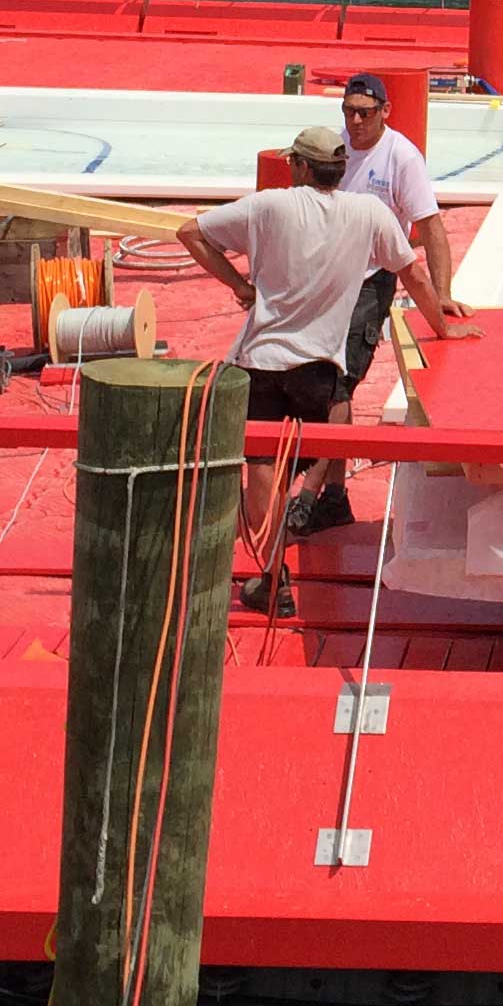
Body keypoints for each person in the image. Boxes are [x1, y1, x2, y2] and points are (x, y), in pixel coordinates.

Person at [181, 124, 455, 617]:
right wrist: (444, 326)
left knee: (262, 469)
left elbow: (190, 233)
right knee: (324, 430)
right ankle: (309, 499)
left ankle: (272, 580)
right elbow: (413, 273)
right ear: (340, 170)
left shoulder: (269, 206)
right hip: (321, 368)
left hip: (261, 363)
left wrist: (240, 286)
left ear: (301, 167)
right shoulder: (369, 213)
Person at [287, 72, 473, 538]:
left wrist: (441, 295)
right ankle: (334, 497)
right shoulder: (335, 150)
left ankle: (310, 496)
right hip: (327, 280)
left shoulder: (401, 158)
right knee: (324, 383)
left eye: (365, 113)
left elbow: (430, 227)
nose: (355, 121)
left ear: (385, 112)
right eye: (349, 111)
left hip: (371, 282)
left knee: (339, 385)